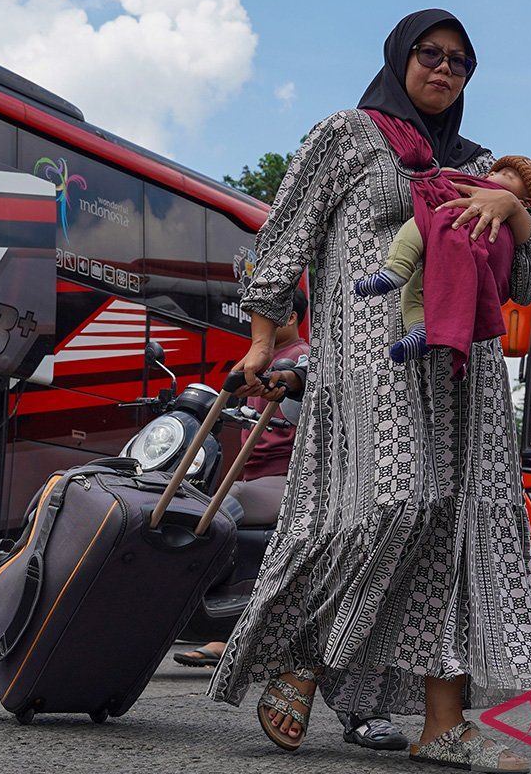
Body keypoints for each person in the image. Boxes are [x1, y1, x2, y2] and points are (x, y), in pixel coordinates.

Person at [208, 9, 531, 772]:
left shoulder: (485, 163)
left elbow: (529, 279)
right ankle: (301, 657)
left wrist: (515, 209)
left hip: (464, 375)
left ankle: (443, 724)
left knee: (460, 532)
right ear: (400, 58)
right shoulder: (347, 134)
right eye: (430, 54)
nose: (444, 69)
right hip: (369, 359)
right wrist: (263, 339)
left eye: (461, 62)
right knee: (396, 498)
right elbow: (285, 234)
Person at [174, 289, 410, 751]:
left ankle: (331, 688)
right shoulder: (286, 360)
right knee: (339, 580)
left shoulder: (365, 334)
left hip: (355, 481)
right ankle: (313, 678)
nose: (253, 320)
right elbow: (302, 388)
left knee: (372, 578)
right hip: (324, 491)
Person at [353, 156, 531, 365]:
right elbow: (446, 181)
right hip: (440, 264)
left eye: (508, 175)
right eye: (494, 173)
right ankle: (419, 329)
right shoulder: (476, 182)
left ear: (528, 202)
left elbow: (525, 292)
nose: (491, 175)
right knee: (414, 290)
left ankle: (396, 268)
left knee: (421, 226)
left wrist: (512, 206)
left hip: (470, 266)